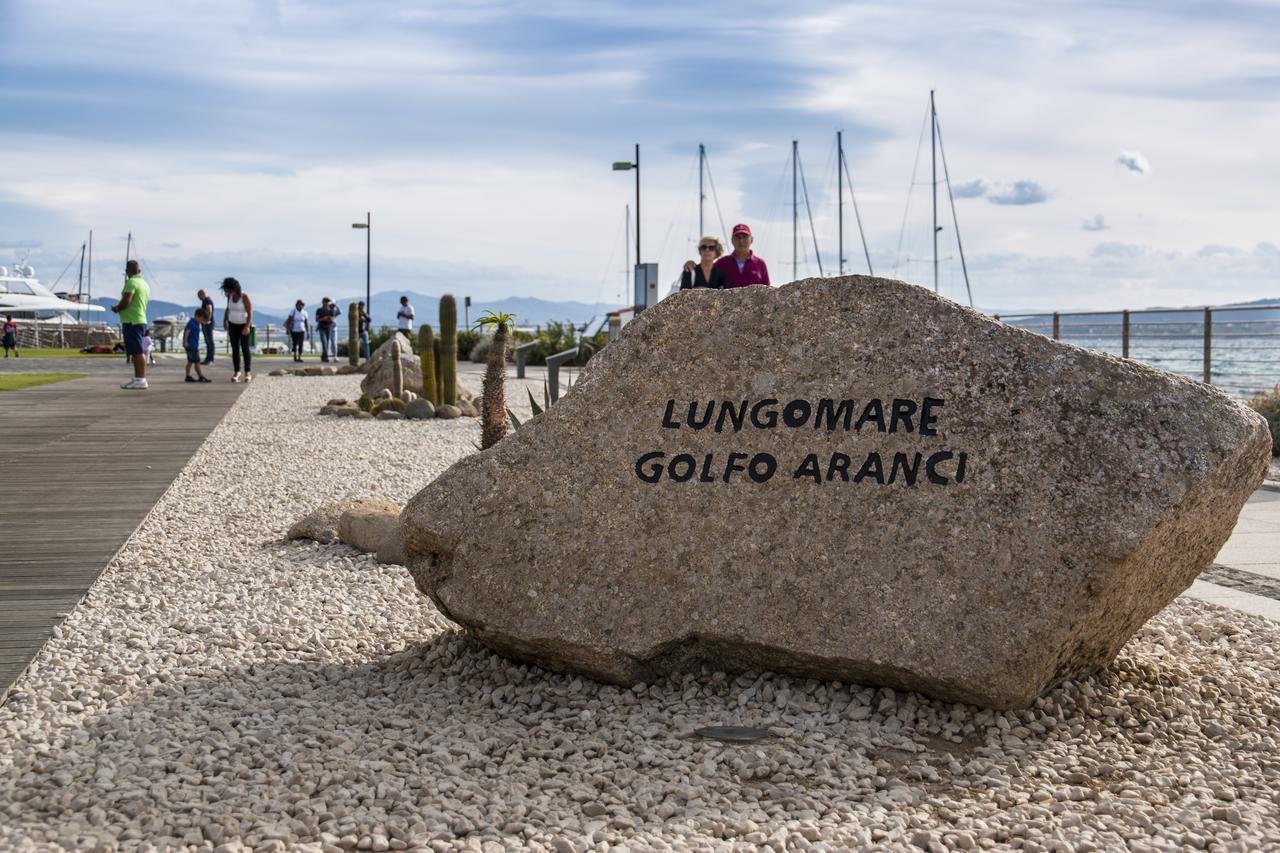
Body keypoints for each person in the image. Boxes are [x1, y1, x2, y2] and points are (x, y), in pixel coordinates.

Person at [112, 260, 150, 390]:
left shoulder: (131, 282)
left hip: (132, 321)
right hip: (140, 320)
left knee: (137, 352)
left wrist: (117, 308)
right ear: (139, 271)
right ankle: (139, 378)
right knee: (137, 351)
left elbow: (127, 301)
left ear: (128, 272)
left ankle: (140, 379)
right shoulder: (144, 283)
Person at [714, 223, 771, 288]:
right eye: (737, 237)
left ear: (751, 239)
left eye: (745, 237)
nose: (741, 241)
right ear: (732, 240)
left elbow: (767, 291)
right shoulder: (721, 263)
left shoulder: (760, 264)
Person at [221, 276, 253, 382]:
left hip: (243, 325)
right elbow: (228, 308)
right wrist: (225, 320)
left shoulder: (244, 296)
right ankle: (237, 371)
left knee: (245, 349)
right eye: (227, 290)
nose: (228, 292)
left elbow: (250, 312)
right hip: (232, 324)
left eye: (229, 289)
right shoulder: (229, 296)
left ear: (235, 288)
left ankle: (247, 372)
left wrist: (247, 327)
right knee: (235, 349)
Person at [183, 310, 211, 383]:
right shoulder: (191, 323)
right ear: (197, 316)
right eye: (201, 319)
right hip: (191, 345)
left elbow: (205, 322)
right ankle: (200, 376)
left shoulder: (197, 323)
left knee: (190, 361)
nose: (201, 321)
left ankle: (188, 376)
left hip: (194, 345)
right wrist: (185, 341)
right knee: (197, 361)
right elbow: (186, 332)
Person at [316, 296, 338, 362]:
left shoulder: (330, 310)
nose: (326, 303)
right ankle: (326, 357)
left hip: (328, 327)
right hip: (322, 327)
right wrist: (323, 318)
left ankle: (323, 356)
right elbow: (317, 319)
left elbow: (333, 318)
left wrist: (329, 319)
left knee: (327, 342)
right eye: (325, 301)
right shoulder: (319, 310)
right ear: (323, 302)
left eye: (327, 302)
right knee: (324, 342)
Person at [197, 288, 216, 364]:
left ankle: (210, 359)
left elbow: (209, 310)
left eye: (199, 296)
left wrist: (207, 320)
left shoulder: (207, 301)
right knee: (208, 342)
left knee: (209, 342)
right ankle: (208, 358)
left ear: (202, 294)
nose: (199, 298)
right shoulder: (206, 301)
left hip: (208, 324)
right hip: (206, 323)